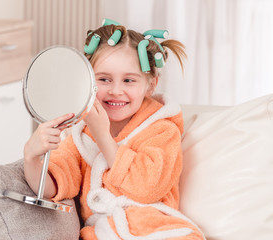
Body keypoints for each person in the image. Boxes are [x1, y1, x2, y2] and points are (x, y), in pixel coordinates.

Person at [24, 19, 204, 239]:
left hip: (156, 228)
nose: (116, 90)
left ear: (151, 85)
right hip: (103, 232)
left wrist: (103, 137)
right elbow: (52, 187)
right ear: (88, 81)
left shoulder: (163, 131)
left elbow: (146, 189)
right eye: (104, 79)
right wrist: (31, 158)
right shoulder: (80, 134)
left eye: (129, 80)